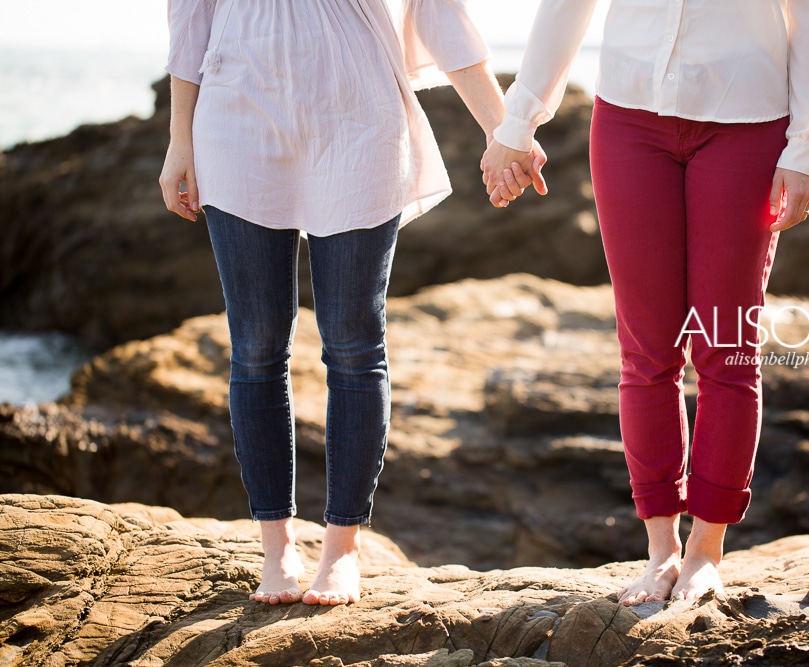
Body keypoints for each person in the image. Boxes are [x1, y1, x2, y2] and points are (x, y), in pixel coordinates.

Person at [159, 0, 545, 606]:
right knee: (256, 346)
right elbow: (192, 16)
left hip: (359, 116)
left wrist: (505, 129)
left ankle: (342, 549)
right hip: (237, 115)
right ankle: (276, 548)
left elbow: (438, 10)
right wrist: (179, 139)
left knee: (353, 343)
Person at [483, 0, 809, 604]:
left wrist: (806, 149)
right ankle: (660, 551)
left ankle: (706, 551)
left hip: (748, 123)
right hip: (629, 119)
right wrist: (516, 123)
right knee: (647, 351)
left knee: (726, 348)